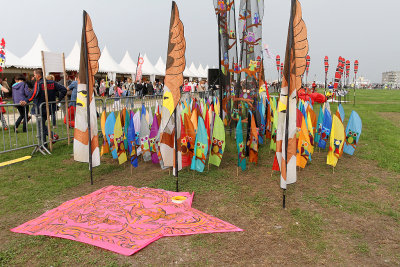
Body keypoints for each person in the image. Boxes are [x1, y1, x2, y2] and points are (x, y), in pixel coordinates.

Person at [23, 68, 67, 143]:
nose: (33, 77)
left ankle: (44, 144)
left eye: (34, 75)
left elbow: (34, 94)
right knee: (41, 125)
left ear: (37, 75)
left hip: (40, 108)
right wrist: (59, 99)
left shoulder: (39, 83)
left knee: (41, 126)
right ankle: (52, 136)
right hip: (49, 108)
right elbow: (64, 90)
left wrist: (26, 101)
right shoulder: (52, 82)